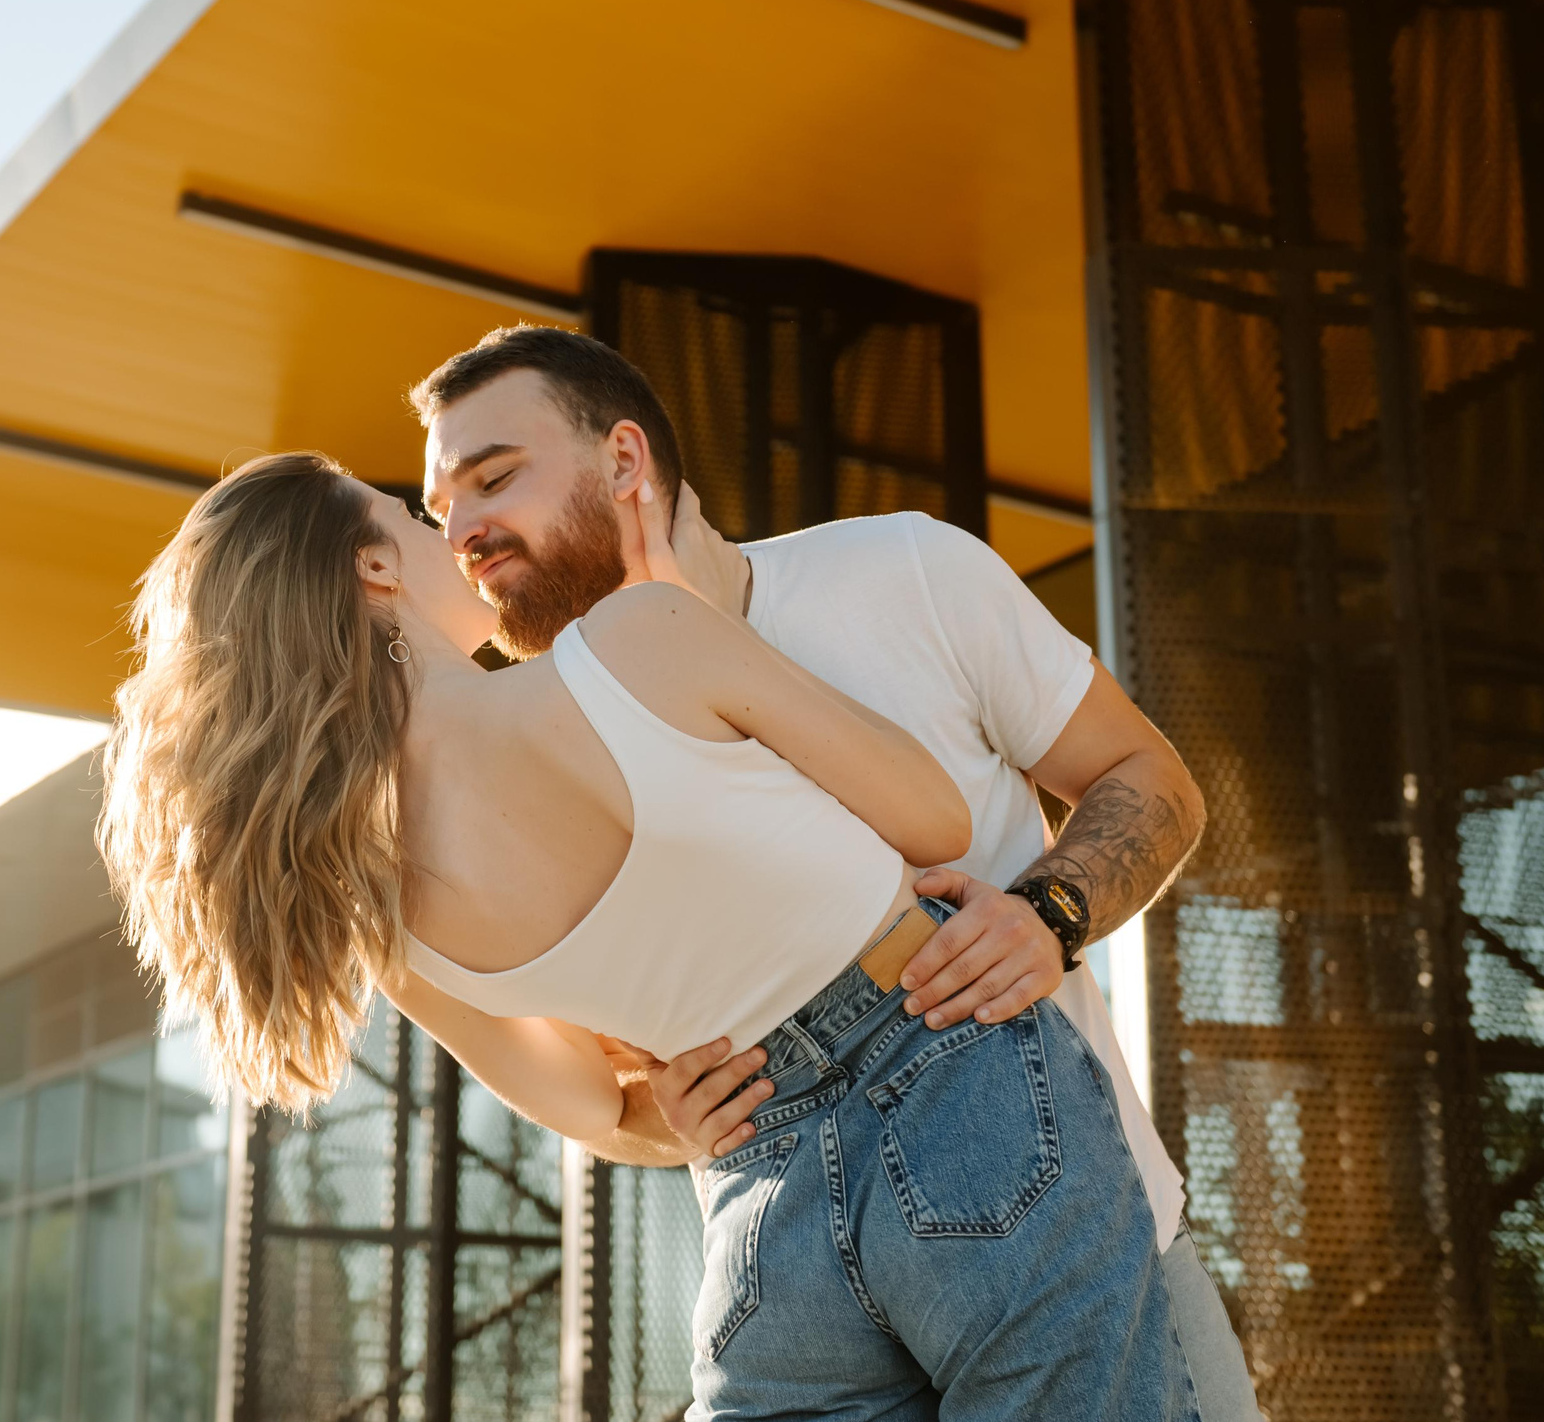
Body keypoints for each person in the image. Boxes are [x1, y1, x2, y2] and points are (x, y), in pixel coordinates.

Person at [99, 443, 1197, 1421]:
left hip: (760, 1201)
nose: (443, 535)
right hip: (955, 1074)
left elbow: (598, 1107)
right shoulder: (641, 635)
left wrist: (678, 1103)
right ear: (373, 568)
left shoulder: (378, 910)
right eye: (405, 515)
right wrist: (712, 652)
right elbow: (931, 814)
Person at [407, 326, 1260, 1421]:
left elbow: (1151, 777)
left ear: (624, 462)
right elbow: (605, 1101)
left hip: (1092, 1247)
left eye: (492, 478)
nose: (464, 532)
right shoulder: (526, 761)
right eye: (438, 514)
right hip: (795, 1288)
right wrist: (664, 1115)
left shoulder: (906, 569)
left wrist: (1050, 911)